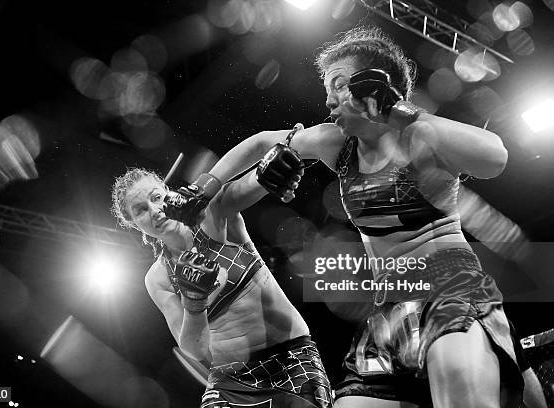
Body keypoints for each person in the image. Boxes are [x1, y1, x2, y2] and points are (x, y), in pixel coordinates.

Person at [193, 26, 524, 408]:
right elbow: (262, 141)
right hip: (387, 310)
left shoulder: (420, 134)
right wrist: (203, 188)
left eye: (338, 85)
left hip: (447, 288)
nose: (329, 101)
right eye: (326, 91)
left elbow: (494, 158)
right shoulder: (335, 143)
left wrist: (403, 113)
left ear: (374, 84)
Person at [111, 168, 332, 408]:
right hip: (230, 380)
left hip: (289, 356)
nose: (154, 210)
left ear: (168, 192)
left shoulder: (212, 218)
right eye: (141, 210)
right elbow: (194, 350)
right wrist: (194, 302)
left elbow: (248, 183)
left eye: (155, 197)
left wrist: (279, 161)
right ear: (133, 224)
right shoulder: (159, 278)